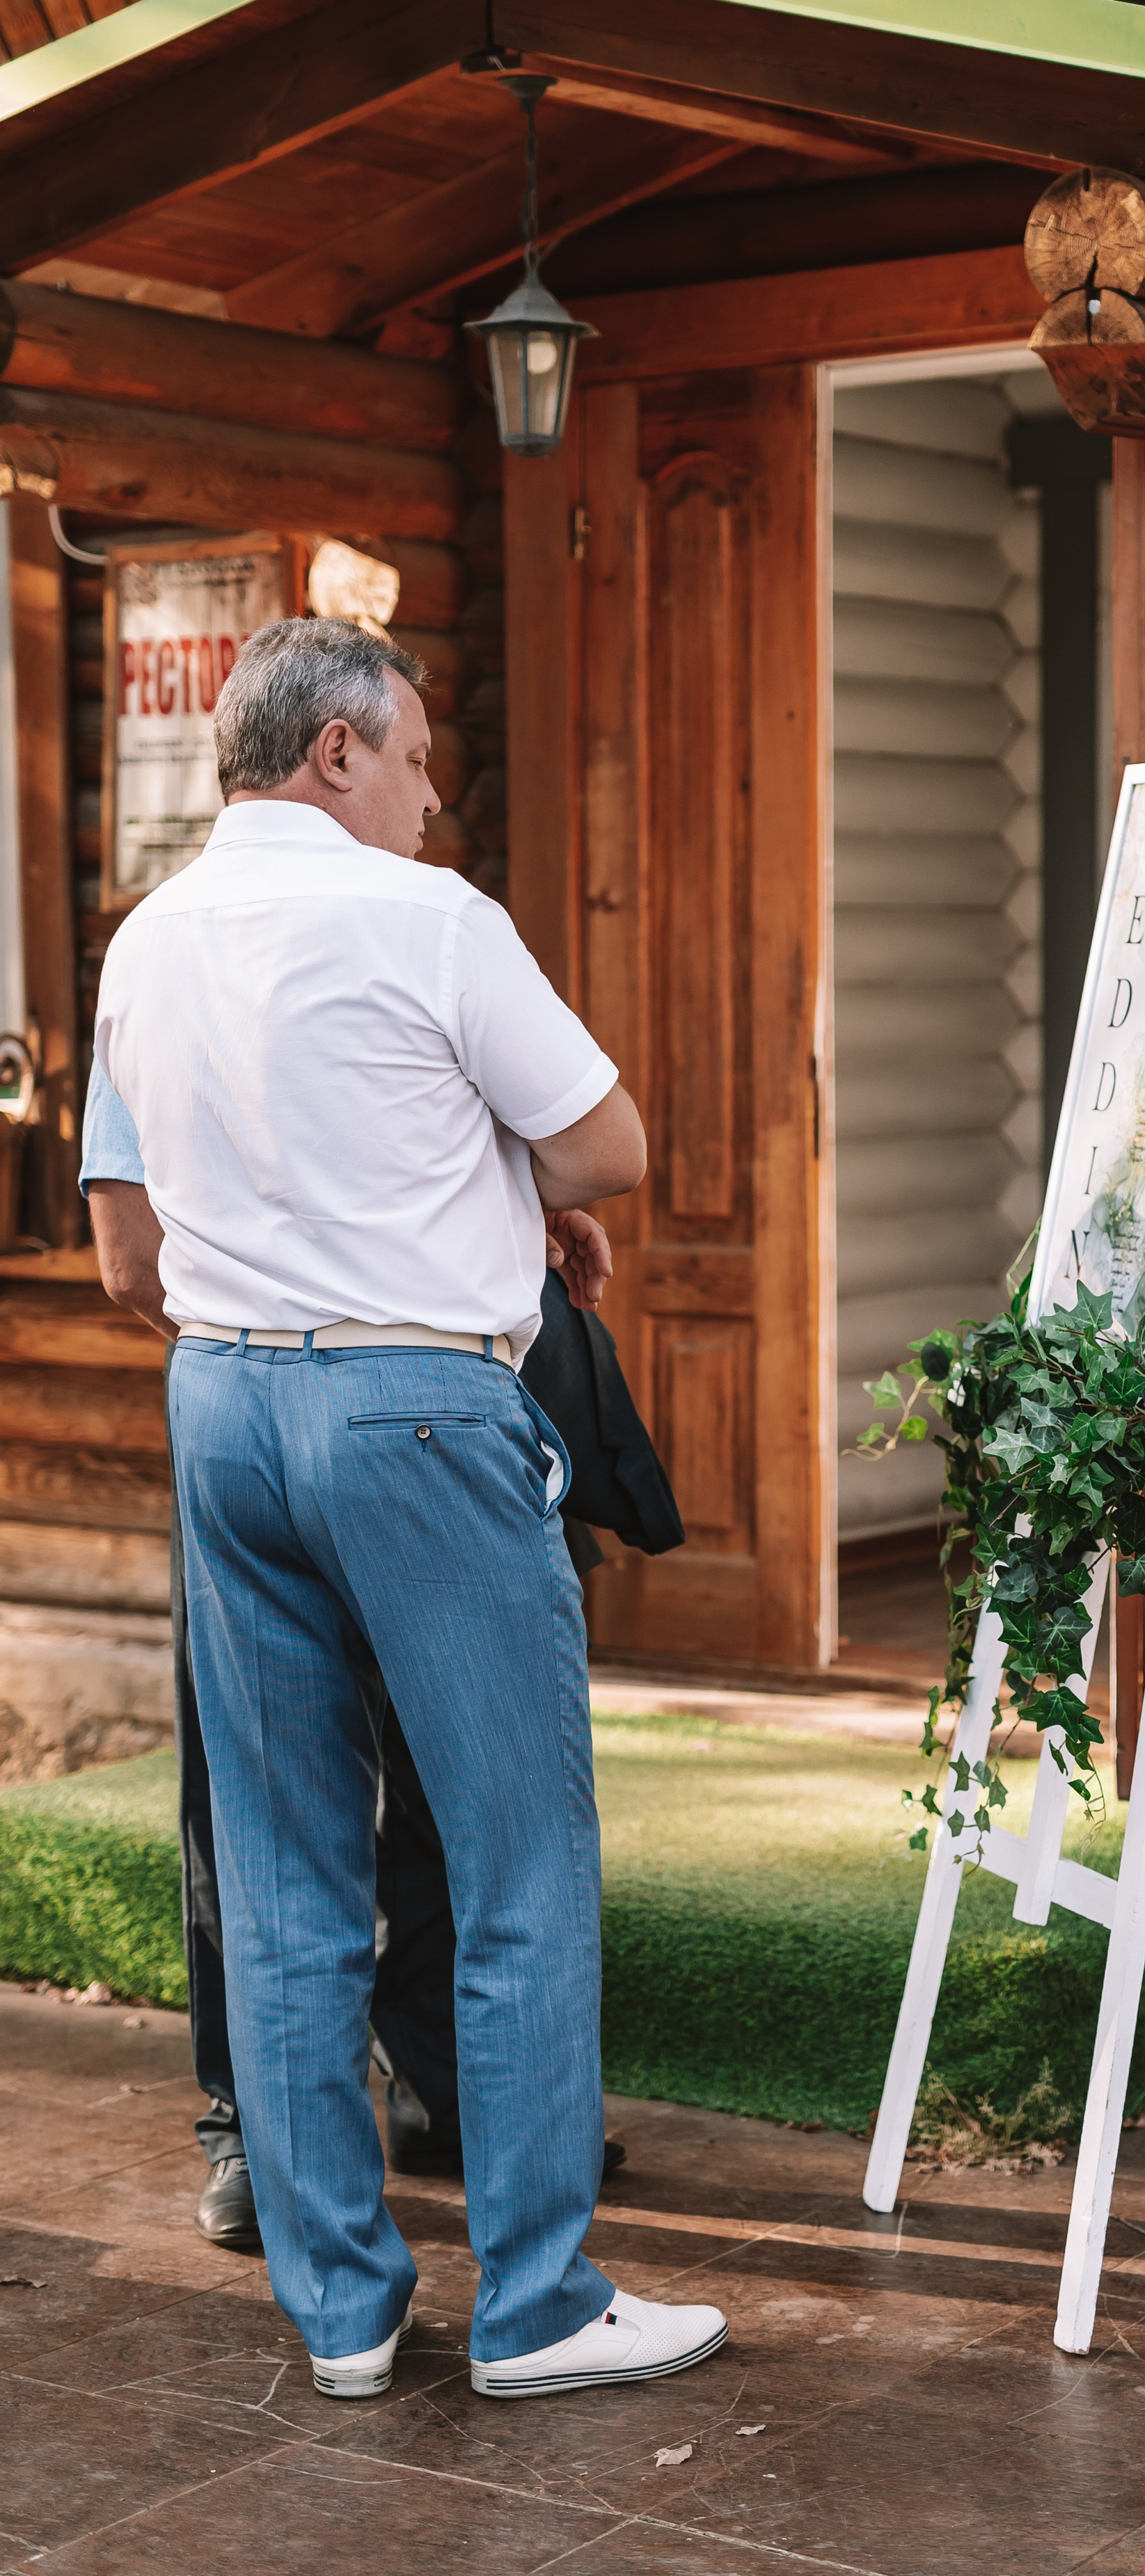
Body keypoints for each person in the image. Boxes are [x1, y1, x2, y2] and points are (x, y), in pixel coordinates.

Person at [92, 617, 725, 2401]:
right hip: (419, 1411)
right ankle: (534, 2305)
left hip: (223, 1402)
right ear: (335, 754)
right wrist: (496, 1196)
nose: (436, 794)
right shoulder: (427, 919)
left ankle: (346, 2313)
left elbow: (131, 1252)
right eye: (420, 756)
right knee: (518, 1856)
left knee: (286, 1876)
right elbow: (611, 1145)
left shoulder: (142, 940)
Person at [84, 1063, 685, 2247]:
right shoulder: (206, 947)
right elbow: (129, 1255)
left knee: (398, 1772)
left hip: (377, 1403)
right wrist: (325, 1339)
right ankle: (264, 2128)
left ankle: (422, 2097)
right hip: (358, 1402)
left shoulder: (377, 932)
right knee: (268, 1799)